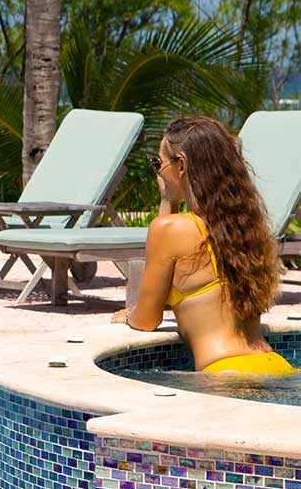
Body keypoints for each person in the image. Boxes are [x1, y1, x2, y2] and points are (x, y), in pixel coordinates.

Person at [112, 116, 293, 375]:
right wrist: (168, 199)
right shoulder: (244, 229)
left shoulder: (171, 230)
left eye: (158, 164)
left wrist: (131, 315)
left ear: (181, 165)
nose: (158, 172)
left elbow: (147, 320)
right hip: (275, 365)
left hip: (226, 375)